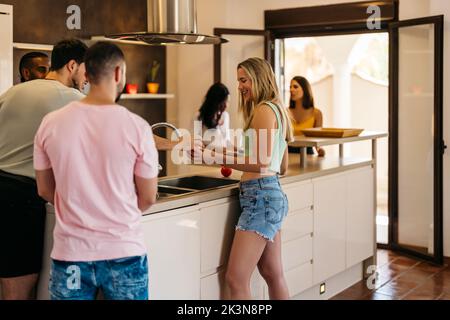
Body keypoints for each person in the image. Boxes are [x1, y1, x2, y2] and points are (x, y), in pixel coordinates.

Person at [34, 42, 158, 300]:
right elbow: (148, 197)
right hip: (124, 253)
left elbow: (45, 189)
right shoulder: (137, 127)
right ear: (118, 74)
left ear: (86, 74)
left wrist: (78, 206)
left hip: (71, 256)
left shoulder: (50, 123)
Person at [192, 57, 293, 300]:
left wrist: (212, 157)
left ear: (259, 78)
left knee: (235, 279)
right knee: (273, 273)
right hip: (269, 194)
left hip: (260, 197)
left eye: (244, 80)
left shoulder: (263, 110)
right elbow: (282, 165)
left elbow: (260, 162)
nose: (239, 86)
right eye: (239, 80)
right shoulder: (277, 109)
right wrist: (212, 152)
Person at [0, 39, 88, 300]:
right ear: (72, 66)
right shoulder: (70, 98)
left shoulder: (12, 92)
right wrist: (176, 143)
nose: (88, 79)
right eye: (87, 70)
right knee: (19, 290)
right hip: (20, 199)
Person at [288, 76, 325, 157]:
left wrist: (320, 150)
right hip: (287, 154)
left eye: (295, 87)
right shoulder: (285, 112)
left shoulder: (317, 113)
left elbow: (317, 139)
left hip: (307, 154)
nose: (291, 90)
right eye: (290, 87)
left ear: (305, 89)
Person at [192, 82, 231, 149]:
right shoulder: (199, 117)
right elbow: (195, 143)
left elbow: (227, 141)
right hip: (206, 157)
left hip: (223, 156)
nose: (226, 105)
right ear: (215, 101)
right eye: (223, 102)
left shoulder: (225, 116)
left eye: (227, 102)